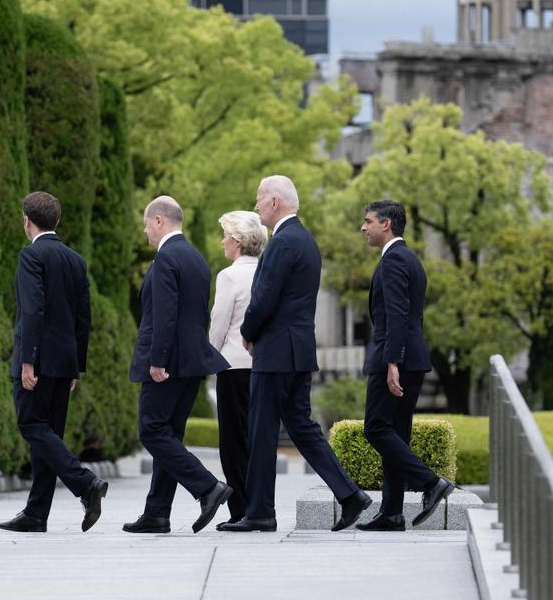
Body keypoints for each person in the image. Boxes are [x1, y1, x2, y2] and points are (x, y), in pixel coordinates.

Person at [219, 175, 370, 533]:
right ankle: (350, 496)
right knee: (301, 427)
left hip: (276, 352)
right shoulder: (305, 241)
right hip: (299, 350)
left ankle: (260, 512)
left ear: (275, 202)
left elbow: (263, 299)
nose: (256, 207)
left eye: (259, 200)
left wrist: (247, 332)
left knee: (261, 431)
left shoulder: (283, 242)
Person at [0, 192, 107, 534]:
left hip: (39, 360)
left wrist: (28, 362)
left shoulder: (32, 255)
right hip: (63, 362)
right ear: (57, 221)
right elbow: (82, 317)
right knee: (49, 435)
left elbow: (32, 310)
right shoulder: (75, 260)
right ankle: (36, 513)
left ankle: (86, 484)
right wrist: (77, 365)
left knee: (32, 426)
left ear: (26, 221)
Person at [125, 196, 232, 535]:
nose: (145, 232)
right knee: (169, 435)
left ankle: (207, 487)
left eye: (146, 225)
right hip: (192, 362)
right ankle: (157, 513)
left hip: (167, 363)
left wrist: (157, 361)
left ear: (159, 221)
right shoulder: (197, 258)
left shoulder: (167, 258)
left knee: (152, 431)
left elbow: (165, 315)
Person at [357, 200, 454, 531]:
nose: (363, 227)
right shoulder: (408, 258)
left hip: (395, 358)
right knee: (396, 432)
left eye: (368, 221)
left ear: (386, 225)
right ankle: (392, 513)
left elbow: (398, 315)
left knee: (376, 428)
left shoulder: (395, 260)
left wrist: (392, 362)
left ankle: (429, 483)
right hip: (409, 357)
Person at [207, 211, 266, 526]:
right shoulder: (266, 272)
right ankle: (256, 506)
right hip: (261, 365)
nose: (223, 241)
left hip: (231, 365)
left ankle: (240, 509)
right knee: (255, 438)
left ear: (239, 241)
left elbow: (219, 324)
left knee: (232, 442)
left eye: (226, 235)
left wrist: (209, 358)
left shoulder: (228, 276)